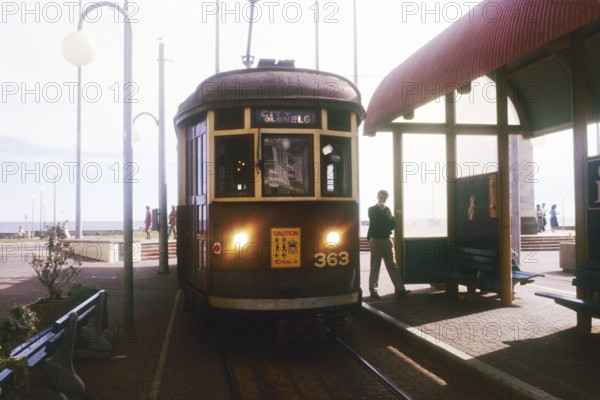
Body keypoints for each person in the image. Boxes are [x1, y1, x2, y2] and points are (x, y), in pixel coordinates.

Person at [366, 189, 410, 298]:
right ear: (377, 197)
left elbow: (392, 225)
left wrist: (390, 217)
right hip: (376, 240)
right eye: (381, 197)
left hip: (387, 240)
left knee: (393, 265)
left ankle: (400, 289)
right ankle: (373, 290)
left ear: (386, 198)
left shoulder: (388, 210)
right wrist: (383, 214)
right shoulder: (372, 209)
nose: (382, 199)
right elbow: (375, 222)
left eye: (384, 198)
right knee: (375, 266)